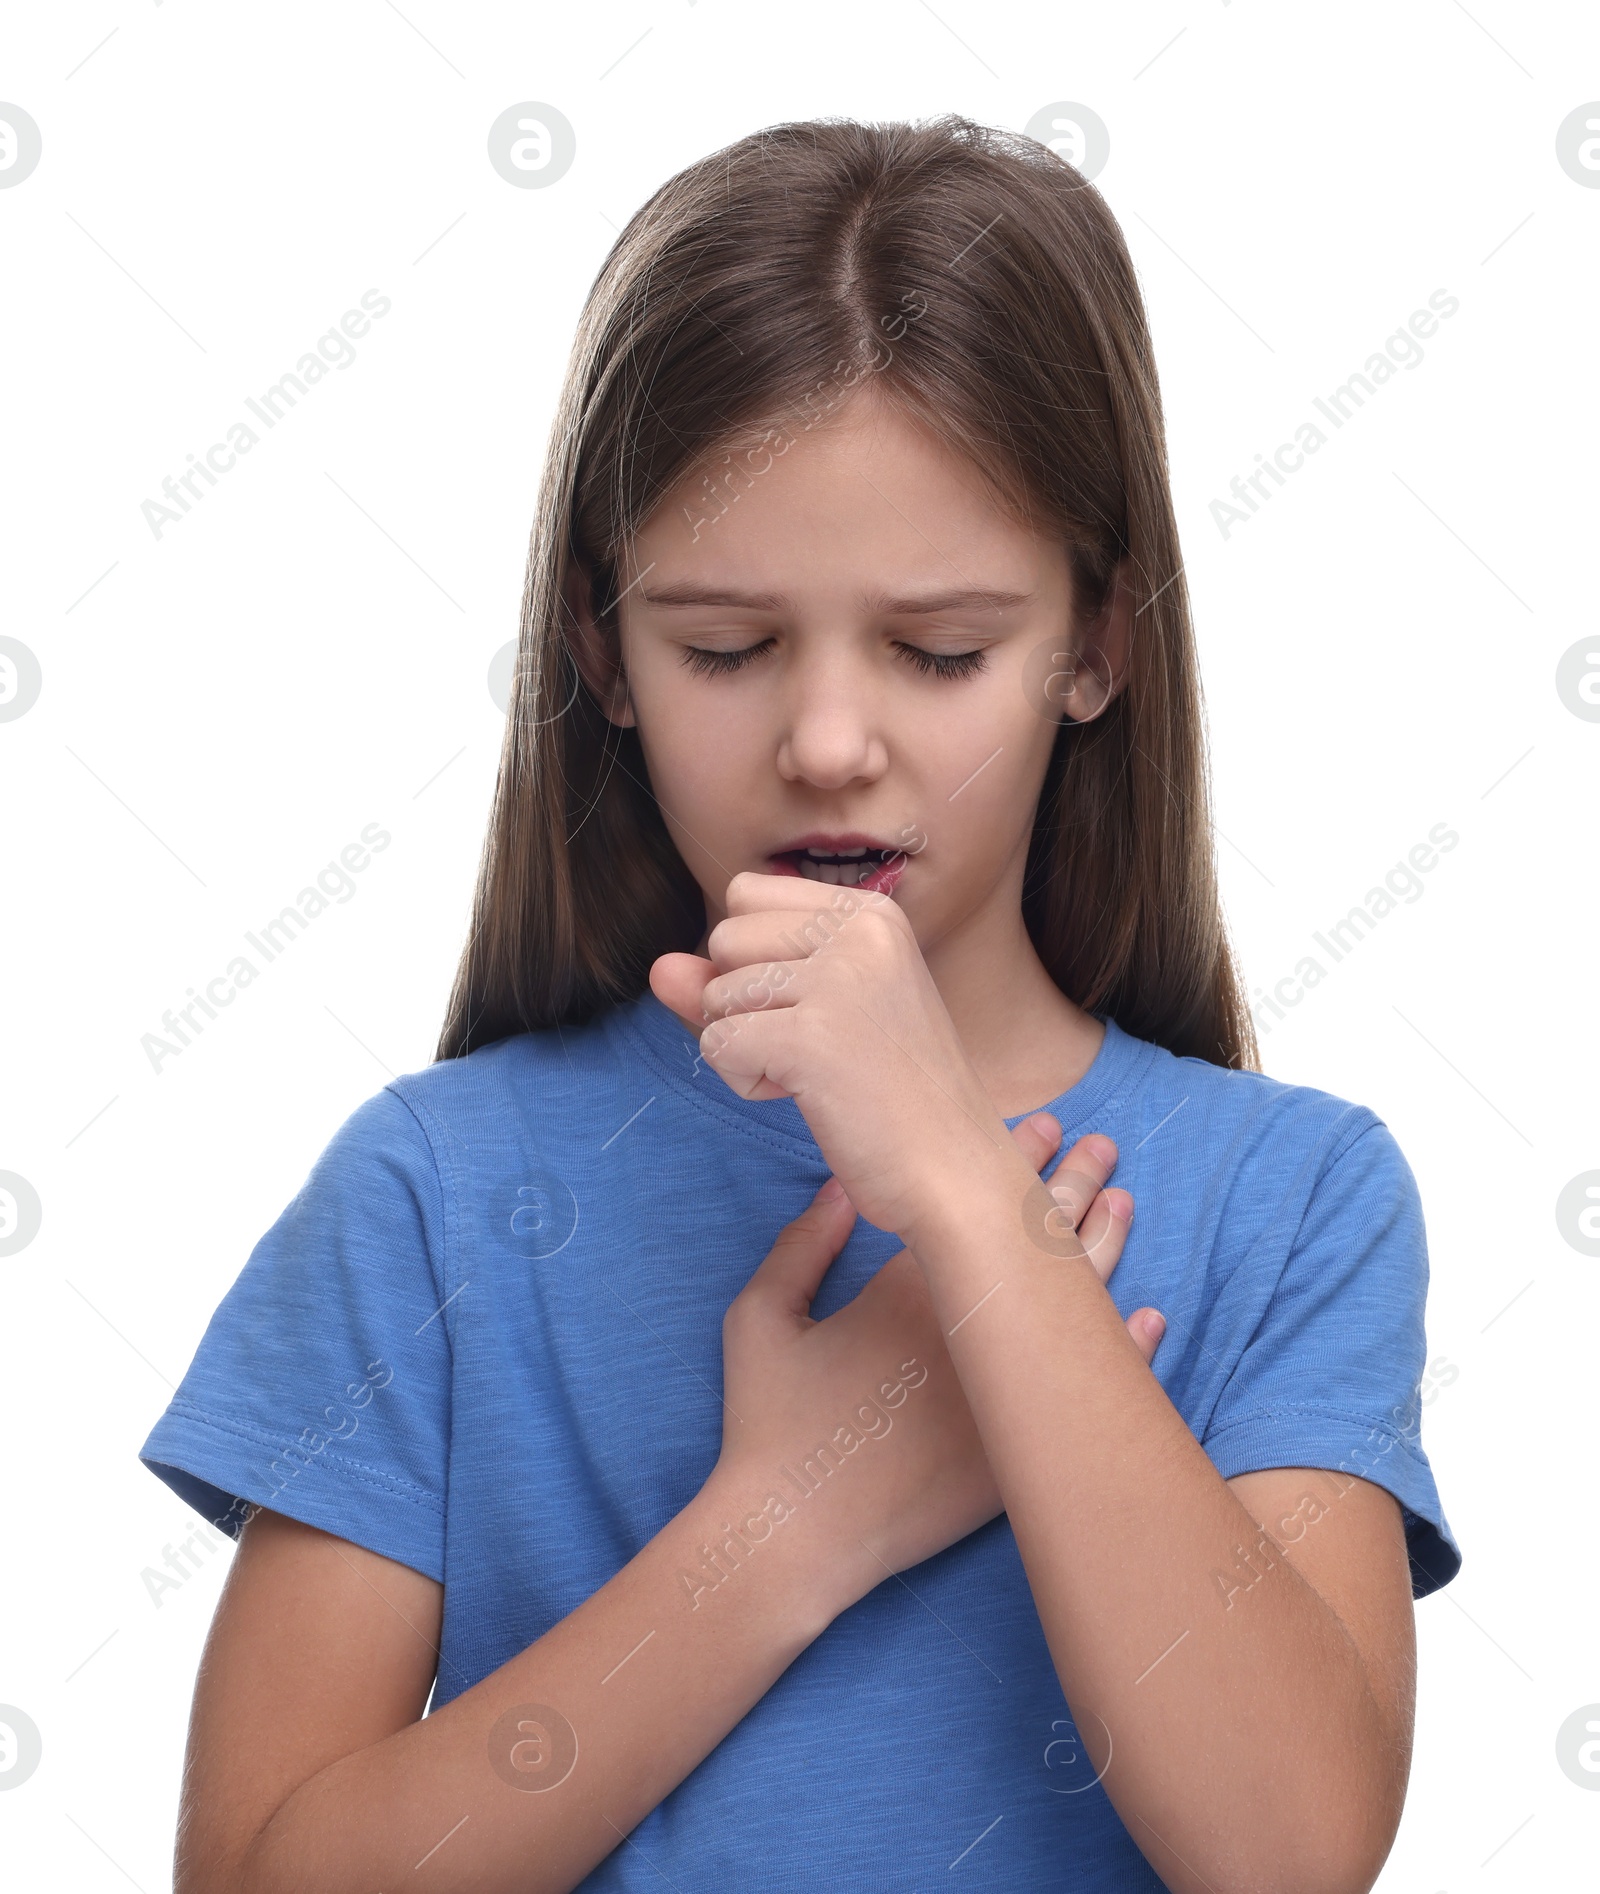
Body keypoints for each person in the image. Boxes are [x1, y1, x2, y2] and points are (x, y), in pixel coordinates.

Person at [138, 113, 1460, 1893]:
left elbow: (1291, 1850)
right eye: (725, 647)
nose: (829, 743)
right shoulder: (431, 1192)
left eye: (939, 651)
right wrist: (790, 1524)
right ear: (602, 650)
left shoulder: (1294, 1198)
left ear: (1099, 643)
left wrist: (986, 1224)